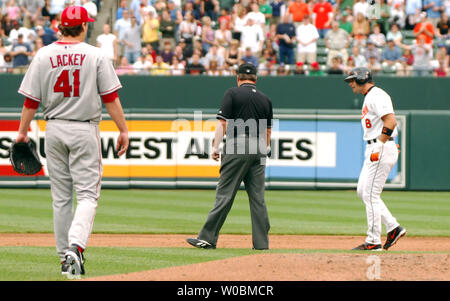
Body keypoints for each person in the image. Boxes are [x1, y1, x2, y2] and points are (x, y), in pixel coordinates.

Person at [15, 6, 129, 278]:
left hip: (53, 128)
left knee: (61, 197)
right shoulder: (96, 55)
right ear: (83, 27)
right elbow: (110, 98)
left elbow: (31, 101)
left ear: (61, 26)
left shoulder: (43, 54)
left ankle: (64, 257)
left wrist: (22, 132)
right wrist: (123, 129)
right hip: (83, 128)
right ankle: (75, 247)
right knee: (88, 195)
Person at [186, 62, 272, 250]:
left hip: (238, 143)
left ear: (237, 77)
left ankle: (207, 238)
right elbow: (268, 131)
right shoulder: (265, 99)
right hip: (259, 147)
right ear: (256, 79)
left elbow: (222, 124)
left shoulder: (232, 93)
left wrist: (216, 146)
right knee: (258, 198)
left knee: (225, 194)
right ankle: (261, 243)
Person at [344, 67, 406, 251]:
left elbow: (391, 121)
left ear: (363, 78)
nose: (351, 84)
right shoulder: (370, 97)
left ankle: (373, 241)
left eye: (353, 80)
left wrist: (380, 144)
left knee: (370, 194)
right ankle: (393, 227)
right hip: (378, 145)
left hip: (379, 146)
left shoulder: (377, 95)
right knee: (363, 191)